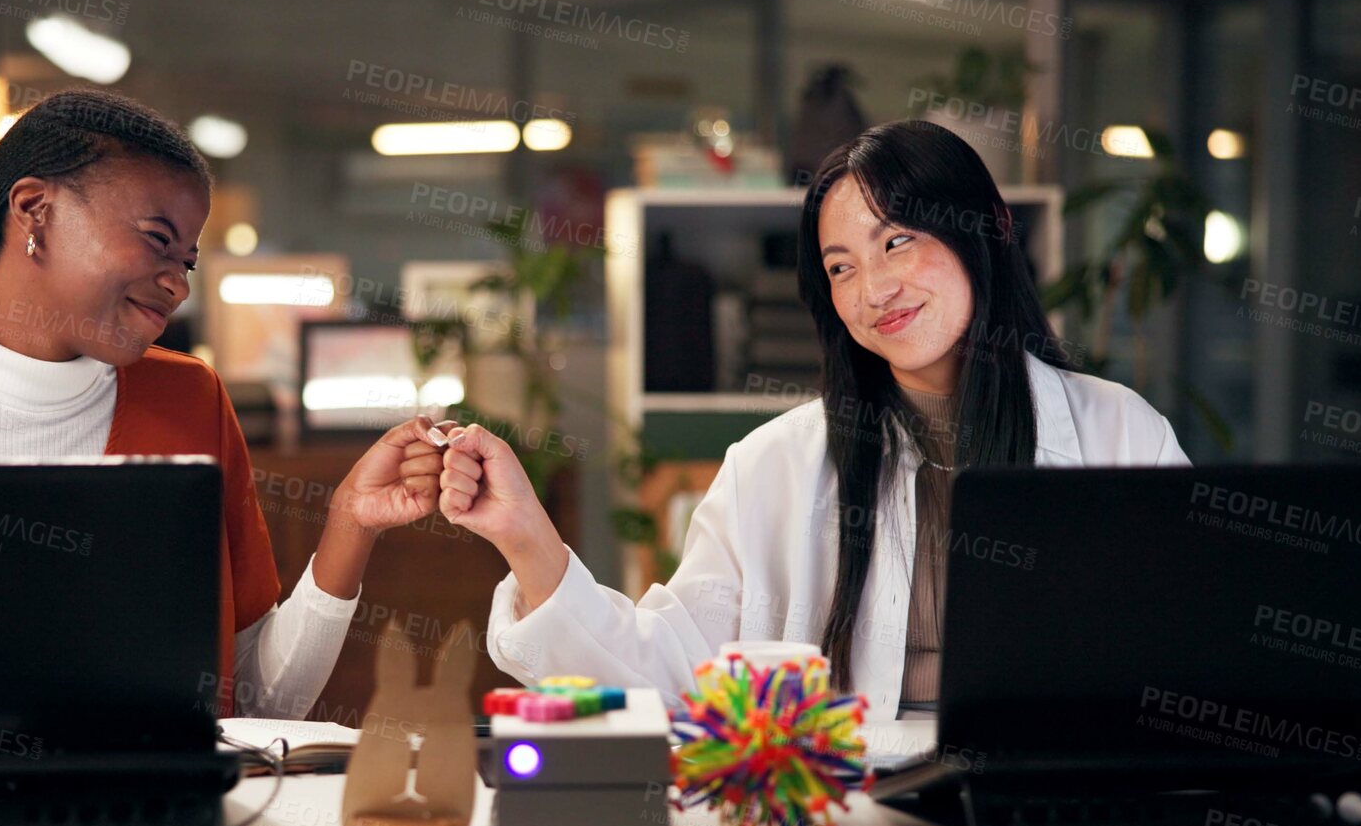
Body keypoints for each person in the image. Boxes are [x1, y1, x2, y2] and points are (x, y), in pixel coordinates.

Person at [0, 89, 452, 719]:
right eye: (156, 241)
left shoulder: (188, 399)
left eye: (187, 259)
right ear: (33, 210)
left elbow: (254, 705)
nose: (177, 284)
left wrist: (348, 527)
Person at [435, 120, 1189, 720]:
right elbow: (667, 672)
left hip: (1055, 810)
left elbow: (1189, 653)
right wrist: (526, 537)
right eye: (840, 266)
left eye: (896, 240)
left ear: (983, 232)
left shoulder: (1120, 433)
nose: (874, 287)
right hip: (841, 809)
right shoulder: (775, 464)